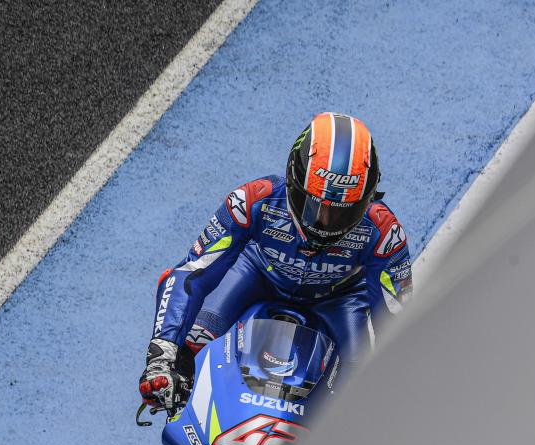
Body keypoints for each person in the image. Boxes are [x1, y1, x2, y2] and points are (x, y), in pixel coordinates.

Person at [139, 112, 413, 411]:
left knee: (360, 395)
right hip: (257, 274)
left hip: (341, 298)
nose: (325, 222)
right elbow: (190, 273)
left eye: (344, 211)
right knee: (188, 351)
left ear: (368, 199)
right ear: (293, 180)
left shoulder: (384, 232)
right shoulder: (251, 201)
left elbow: (396, 321)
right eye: (313, 206)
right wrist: (161, 357)